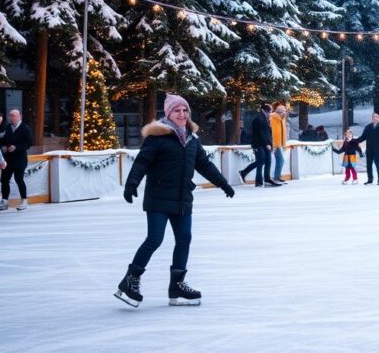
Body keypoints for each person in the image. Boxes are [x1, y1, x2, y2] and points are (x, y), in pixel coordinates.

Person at [115, 94, 235, 308]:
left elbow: (205, 165)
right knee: (155, 239)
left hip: (182, 199)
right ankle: (130, 281)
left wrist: (223, 183)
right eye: (177, 111)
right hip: (158, 197)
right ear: (168, 114)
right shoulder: (158, 137)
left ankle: (176, 286)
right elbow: (142, 162)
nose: (182, 114)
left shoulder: (191, 139)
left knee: (184, 239)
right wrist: (131, 183)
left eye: (185, 110)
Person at [0, 109, 34, 211]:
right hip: (8, 159)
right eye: (10, 116)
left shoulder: (25, 128)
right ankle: (4, 201)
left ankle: (24, 200)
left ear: (20, 116)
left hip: (20, 159)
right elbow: (1, 140)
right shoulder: (7, 128)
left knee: (19, 179)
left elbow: (29, 143)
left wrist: (16, 147)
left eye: (14, 116)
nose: (11, 118)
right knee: (4, 179)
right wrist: (3, 146)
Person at [239, 104, 276, 187]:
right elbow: (261, 133)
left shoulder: (266, 119)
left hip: (264, 144)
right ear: (264, 111)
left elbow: (268, 133)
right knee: (261, 161)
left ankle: (266, 179)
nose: (270, 113)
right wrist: (267, 144)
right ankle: (246, 173)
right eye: (269, 111)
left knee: (267, 161)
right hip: (258, 144)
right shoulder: (259, 119)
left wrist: (270, 144)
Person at [355, 113, 379, 185]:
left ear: (378, 118)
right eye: (373, 117)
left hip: (378, 150)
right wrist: (354, 141)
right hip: (369, 149)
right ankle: (370, 179)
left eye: (376, 116)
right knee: (369, 165)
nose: (374, 118)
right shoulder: (368, 127)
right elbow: (363, 137)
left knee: (378, 165)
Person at [270, 102, 289, 185]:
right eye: (283, 112)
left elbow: (283, 132)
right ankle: (276, 177)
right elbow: (273, 132)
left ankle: (277, 177)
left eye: (285, 111)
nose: (285, 113)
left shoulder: (282, 119)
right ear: (279, 112)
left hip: (279, 143)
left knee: (279, 160)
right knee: (280, 160)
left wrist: (283, 143)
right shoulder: (272, 118)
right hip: (274, 143)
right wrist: (273, 143)